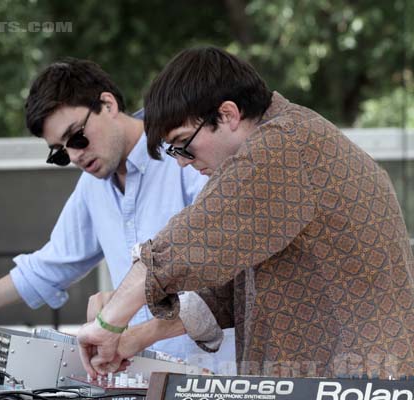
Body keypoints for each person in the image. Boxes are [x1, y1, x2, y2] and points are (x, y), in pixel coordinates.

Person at [77, 46, 414, 379]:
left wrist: (109, 322)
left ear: (228, 114)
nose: (180, 161)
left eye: (183, 144)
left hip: (361, 381)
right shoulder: (293, 141)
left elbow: (186, 244)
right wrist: (135, 337)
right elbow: (226, 291)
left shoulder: (283, 146)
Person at [0, 58, 237, 373]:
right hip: (142, 380)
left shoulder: (183, 156)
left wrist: (123, 302)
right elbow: (48, 267)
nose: (74, 155)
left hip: (216, 373)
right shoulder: (93, 186)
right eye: (60, 152)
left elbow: (222, 270)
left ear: (108, 104)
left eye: (76, 137)